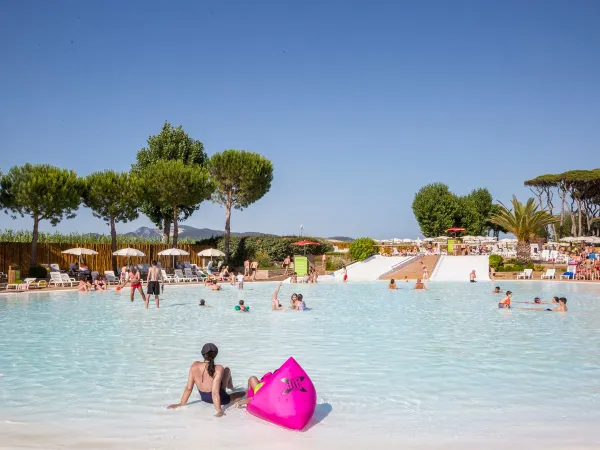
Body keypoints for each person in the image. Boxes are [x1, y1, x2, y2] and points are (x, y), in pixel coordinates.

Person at [167, 343, 244, 416]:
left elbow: (188, 388)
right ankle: (232, 388)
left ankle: (231, 388)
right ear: (216, 355)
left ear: (203, 354)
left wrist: (181, 403)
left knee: (226, 370)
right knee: (244, 392)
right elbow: (215, 393)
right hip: (220, 399)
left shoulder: (194, 365)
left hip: (204, 398)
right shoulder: (219, 368)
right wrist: (219, 410)